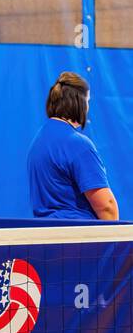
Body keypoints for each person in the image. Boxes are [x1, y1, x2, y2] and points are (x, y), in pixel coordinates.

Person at [27, 71, 119, 221]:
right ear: (79, 102)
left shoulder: (37, 142)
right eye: (88, 101)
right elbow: (106, 207)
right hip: (79, 238)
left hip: (45, 235)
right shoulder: (78, 144)